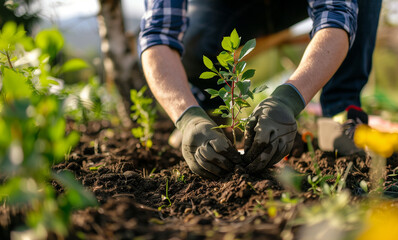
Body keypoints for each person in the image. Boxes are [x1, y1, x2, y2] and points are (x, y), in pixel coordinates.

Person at [138, 0, 382, 179]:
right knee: (196, 38)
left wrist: (288, 100)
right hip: (223, 8)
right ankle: (205, 112)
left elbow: (337, 15)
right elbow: (158, 35)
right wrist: (187, 117)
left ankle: (340, 115)